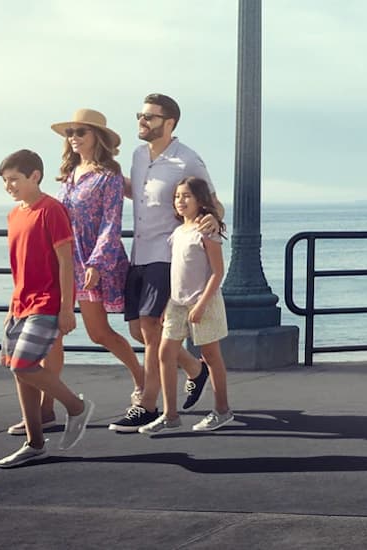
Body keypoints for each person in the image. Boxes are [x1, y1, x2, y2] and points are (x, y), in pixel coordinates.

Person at [2, 109, 143, 437]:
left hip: (92, 262)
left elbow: (112, 222)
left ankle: (142, 380)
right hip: (60, 263)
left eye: (81, 132)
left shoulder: (108, 176)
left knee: (99, 333)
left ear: (97, 137)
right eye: (70, 133)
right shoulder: (67, 174)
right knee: (52, 340)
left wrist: (96, 262)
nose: (74, 138)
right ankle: (46, 410)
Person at [110, 93, 221, 432]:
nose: (142, 122)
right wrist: (106, 177)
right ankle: (193, 368)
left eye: (150, 117)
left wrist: (213, 222)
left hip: (166, 254)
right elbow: (140, 194)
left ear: (169, 122)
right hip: (138, 253)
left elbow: (213, 202)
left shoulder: (187, 160)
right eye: (140, 116)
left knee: (149, 332)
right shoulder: (138, 155)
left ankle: (147, 405)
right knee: (139, 330)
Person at [0, 149, 95, 468]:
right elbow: (19, 268)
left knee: (23, 366)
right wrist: (12, 307)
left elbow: (66, 262)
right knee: (19, 373)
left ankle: (76, 407)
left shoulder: (51, 210)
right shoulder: (15, 215)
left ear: (34, 176)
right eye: (5, 181)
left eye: (14, 179)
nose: (9, 186)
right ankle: (34, 444)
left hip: (47, 303)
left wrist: (68, 308)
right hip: (20, 304)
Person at [140, 177, 234, 434]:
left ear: (200, 200)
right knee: (164, 354)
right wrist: (166, 304)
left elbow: (217, 272)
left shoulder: (206, 231)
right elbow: (177, 272)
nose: (180, 201)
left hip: (204, 302)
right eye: (177, 196)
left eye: (186, 196)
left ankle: (222, 411)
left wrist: (202, 304)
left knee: (211, 357)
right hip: (177, 304)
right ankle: (170, 415)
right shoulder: (178, 232)